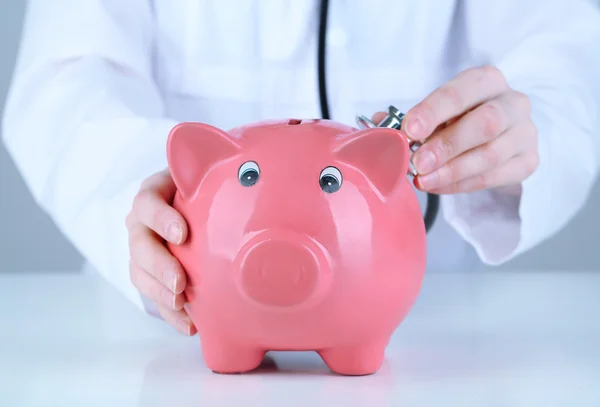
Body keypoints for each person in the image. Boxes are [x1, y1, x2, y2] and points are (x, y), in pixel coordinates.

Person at [3, 1, 600, 336]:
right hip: (156, 339)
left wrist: (512, 133)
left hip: (430, 336)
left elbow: (568, 67)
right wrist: (140, 193)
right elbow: (65, 80)